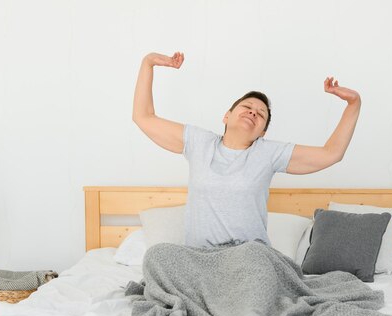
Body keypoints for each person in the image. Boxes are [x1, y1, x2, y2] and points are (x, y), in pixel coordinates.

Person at [132, 51, 361, 248]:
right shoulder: (198, 142)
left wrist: (354, 104)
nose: (253, 112)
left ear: (262, 133)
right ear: (227, 115)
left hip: (249, 258)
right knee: (158, 256)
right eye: (247, 107)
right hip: (200, 259)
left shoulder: (268, 154)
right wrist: (148, 62)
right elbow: (143, 117)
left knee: (255, 263)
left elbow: (331, 153)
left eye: (261, 114)